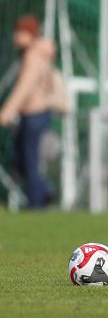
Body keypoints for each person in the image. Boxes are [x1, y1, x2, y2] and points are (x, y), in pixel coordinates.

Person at [0, 16, 57, 209]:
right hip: (36, 114)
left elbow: (25, 87)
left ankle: (37, 203)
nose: (15, 36)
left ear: (29, 34)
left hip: (34, 114)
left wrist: (7, 111)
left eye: (19, 32)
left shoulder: (33, 56)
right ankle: (44, 190)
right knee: (19, 158)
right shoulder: (35, 54)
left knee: (29, 159)